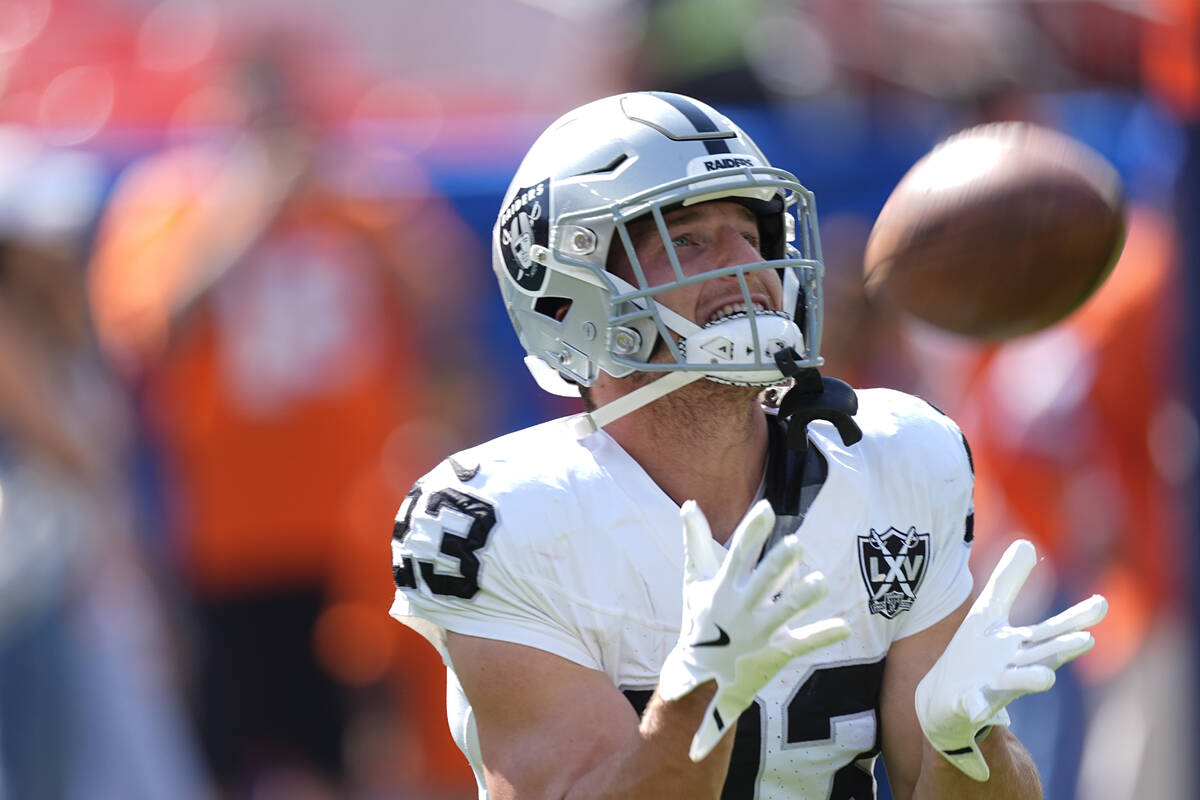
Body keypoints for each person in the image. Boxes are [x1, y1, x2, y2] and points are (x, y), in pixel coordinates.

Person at [389, 91, 1107, 799]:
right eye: (690, 240)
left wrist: (968, 745)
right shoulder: (502, 521)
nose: (748, 268)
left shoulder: (897, 461)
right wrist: (698, 701)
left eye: (752, 234)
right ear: (575, 292)